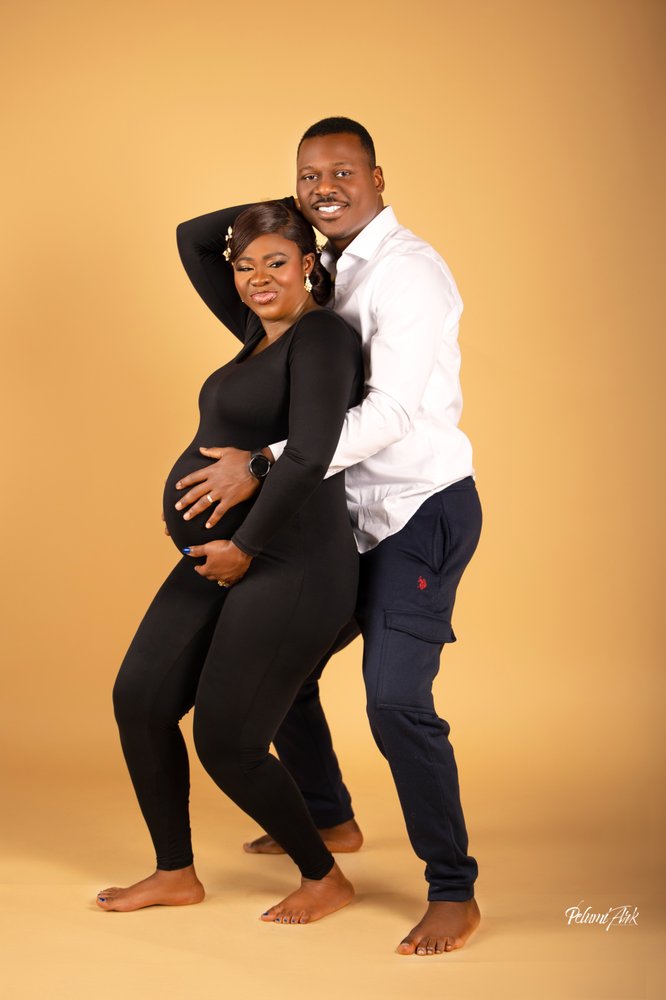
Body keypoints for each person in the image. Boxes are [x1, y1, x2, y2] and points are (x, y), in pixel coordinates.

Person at [173, 118, 483, 955]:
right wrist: (295, 212)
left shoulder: (408, 272)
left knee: (395, 701)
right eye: (310, 176)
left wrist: (264, 464)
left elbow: (391, 413)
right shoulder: (313, 268)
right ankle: (329, 818)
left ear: (379, 177)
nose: (326, 188)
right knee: (289, 666)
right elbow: (199, 239)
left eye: (343, 173)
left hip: (416, 511)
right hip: (342, 519)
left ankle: (453, 888)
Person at [96, 199, 364, 925]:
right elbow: (192, 239)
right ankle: (175, 872)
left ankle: (324, 877)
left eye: (277, 261)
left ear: (309, 263)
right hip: (224, 556)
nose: (257, 278)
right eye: (245, 266)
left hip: (292, 561)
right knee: (139, 699)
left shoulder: (322, 338)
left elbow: (309, 454)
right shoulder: (255, 332)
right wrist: (283, 216)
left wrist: (245, 547)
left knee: (228, 741)